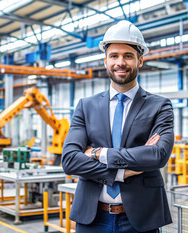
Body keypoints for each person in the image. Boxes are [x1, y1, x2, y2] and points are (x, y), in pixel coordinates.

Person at [61, 20, 174, 233]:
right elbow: (69, 161)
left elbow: (157, 156)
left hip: (141, 219)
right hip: (92, 218)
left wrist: (98, 153)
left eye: (128, 56)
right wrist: (121, 173)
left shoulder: (160, 106)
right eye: (114, 56)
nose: (120, 62)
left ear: (140, 60)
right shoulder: (86, 106)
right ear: (105, 61)